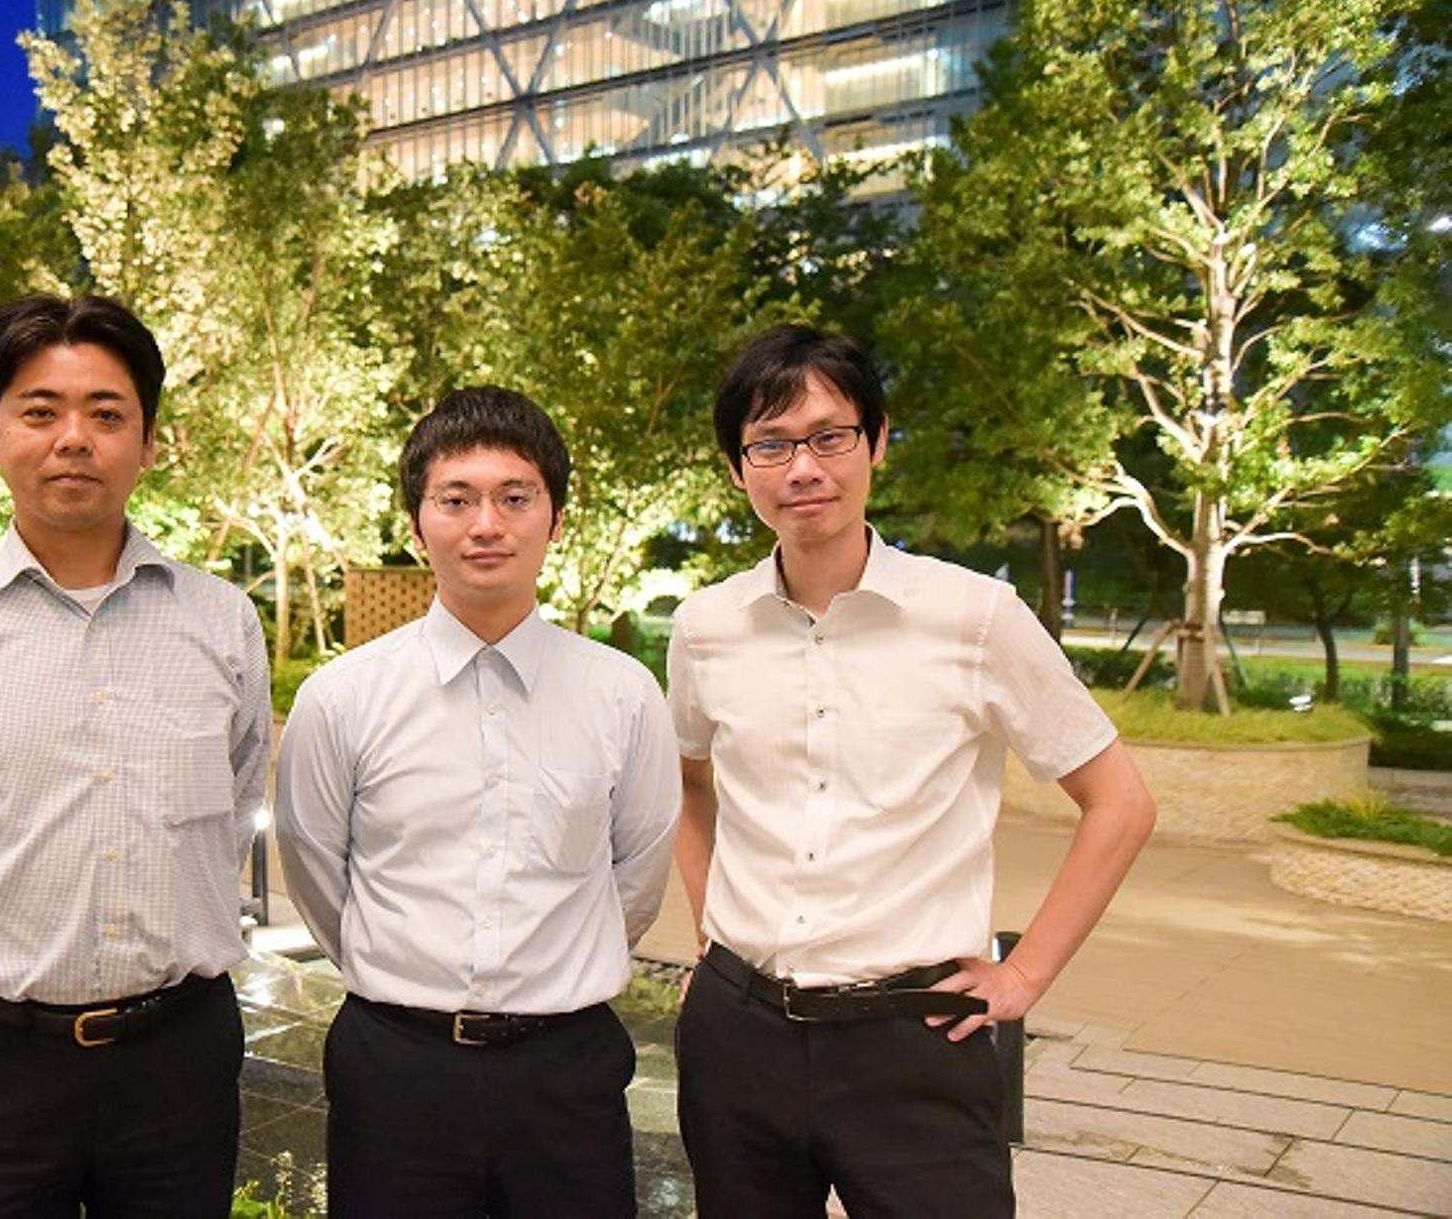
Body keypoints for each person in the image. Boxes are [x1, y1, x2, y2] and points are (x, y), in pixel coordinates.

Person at [668, 324, 1156, 1216]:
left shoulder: (975, 616)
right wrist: (712, 934)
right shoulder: (705, 627)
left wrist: (1024, 975)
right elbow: (688, 783)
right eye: (771, 444)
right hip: (738, 1042)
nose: (803, 468)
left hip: (914, 1039)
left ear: (878, 441)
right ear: (738, 468)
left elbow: (1119, 802)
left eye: (829, 436)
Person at [0, 293, 270, 1217]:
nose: (74, 438)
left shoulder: (224, 624)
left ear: (148, 443)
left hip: (179, 1064)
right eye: (40, 411)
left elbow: (233, 809)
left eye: (107, 414)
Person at [275, 386, 680, 1218]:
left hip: (566, 1070)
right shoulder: (342, 698)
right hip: (397, 1071)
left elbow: (636, 875)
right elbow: (317, 871)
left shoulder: (623, 694)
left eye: (515, 498)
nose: (485, 525)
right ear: (416, 522)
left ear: (555, 518)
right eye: (456, 500)